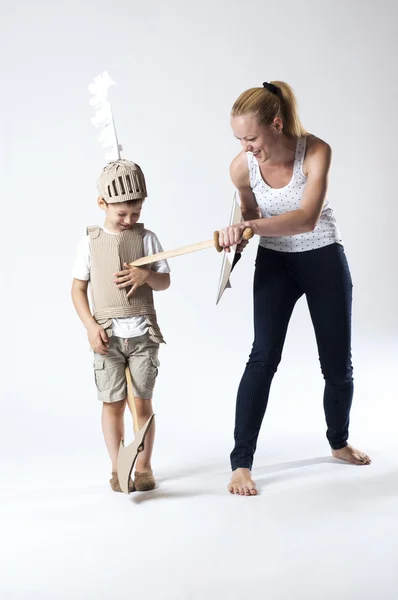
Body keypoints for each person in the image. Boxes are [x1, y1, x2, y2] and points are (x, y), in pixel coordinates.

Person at [218, 81, 371, 497]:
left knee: (337, 365)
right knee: (263, 355)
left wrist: (249, 226)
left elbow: (305, 218)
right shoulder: (240, 168)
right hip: (276, 262)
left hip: (322, 254)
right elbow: (250, 214)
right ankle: (241, 464)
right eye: (239, 139)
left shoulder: (316, 151)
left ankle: (338, 442)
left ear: (277, 123)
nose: (246, 147)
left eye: (252, 138)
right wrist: (236, 238)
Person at [71, 159, 170, 492]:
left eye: (136, 213)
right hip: (107, 337)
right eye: (121, 214)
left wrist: (147, 275)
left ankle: (143, 467)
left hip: (142, 335)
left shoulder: (148, 238)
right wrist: (89, 325)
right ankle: (118, 468)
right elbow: (77, 289)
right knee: (112, 404)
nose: (129, 220)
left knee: (141, 402)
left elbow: (164, 282)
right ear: (103, 204)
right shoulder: (90, 242)